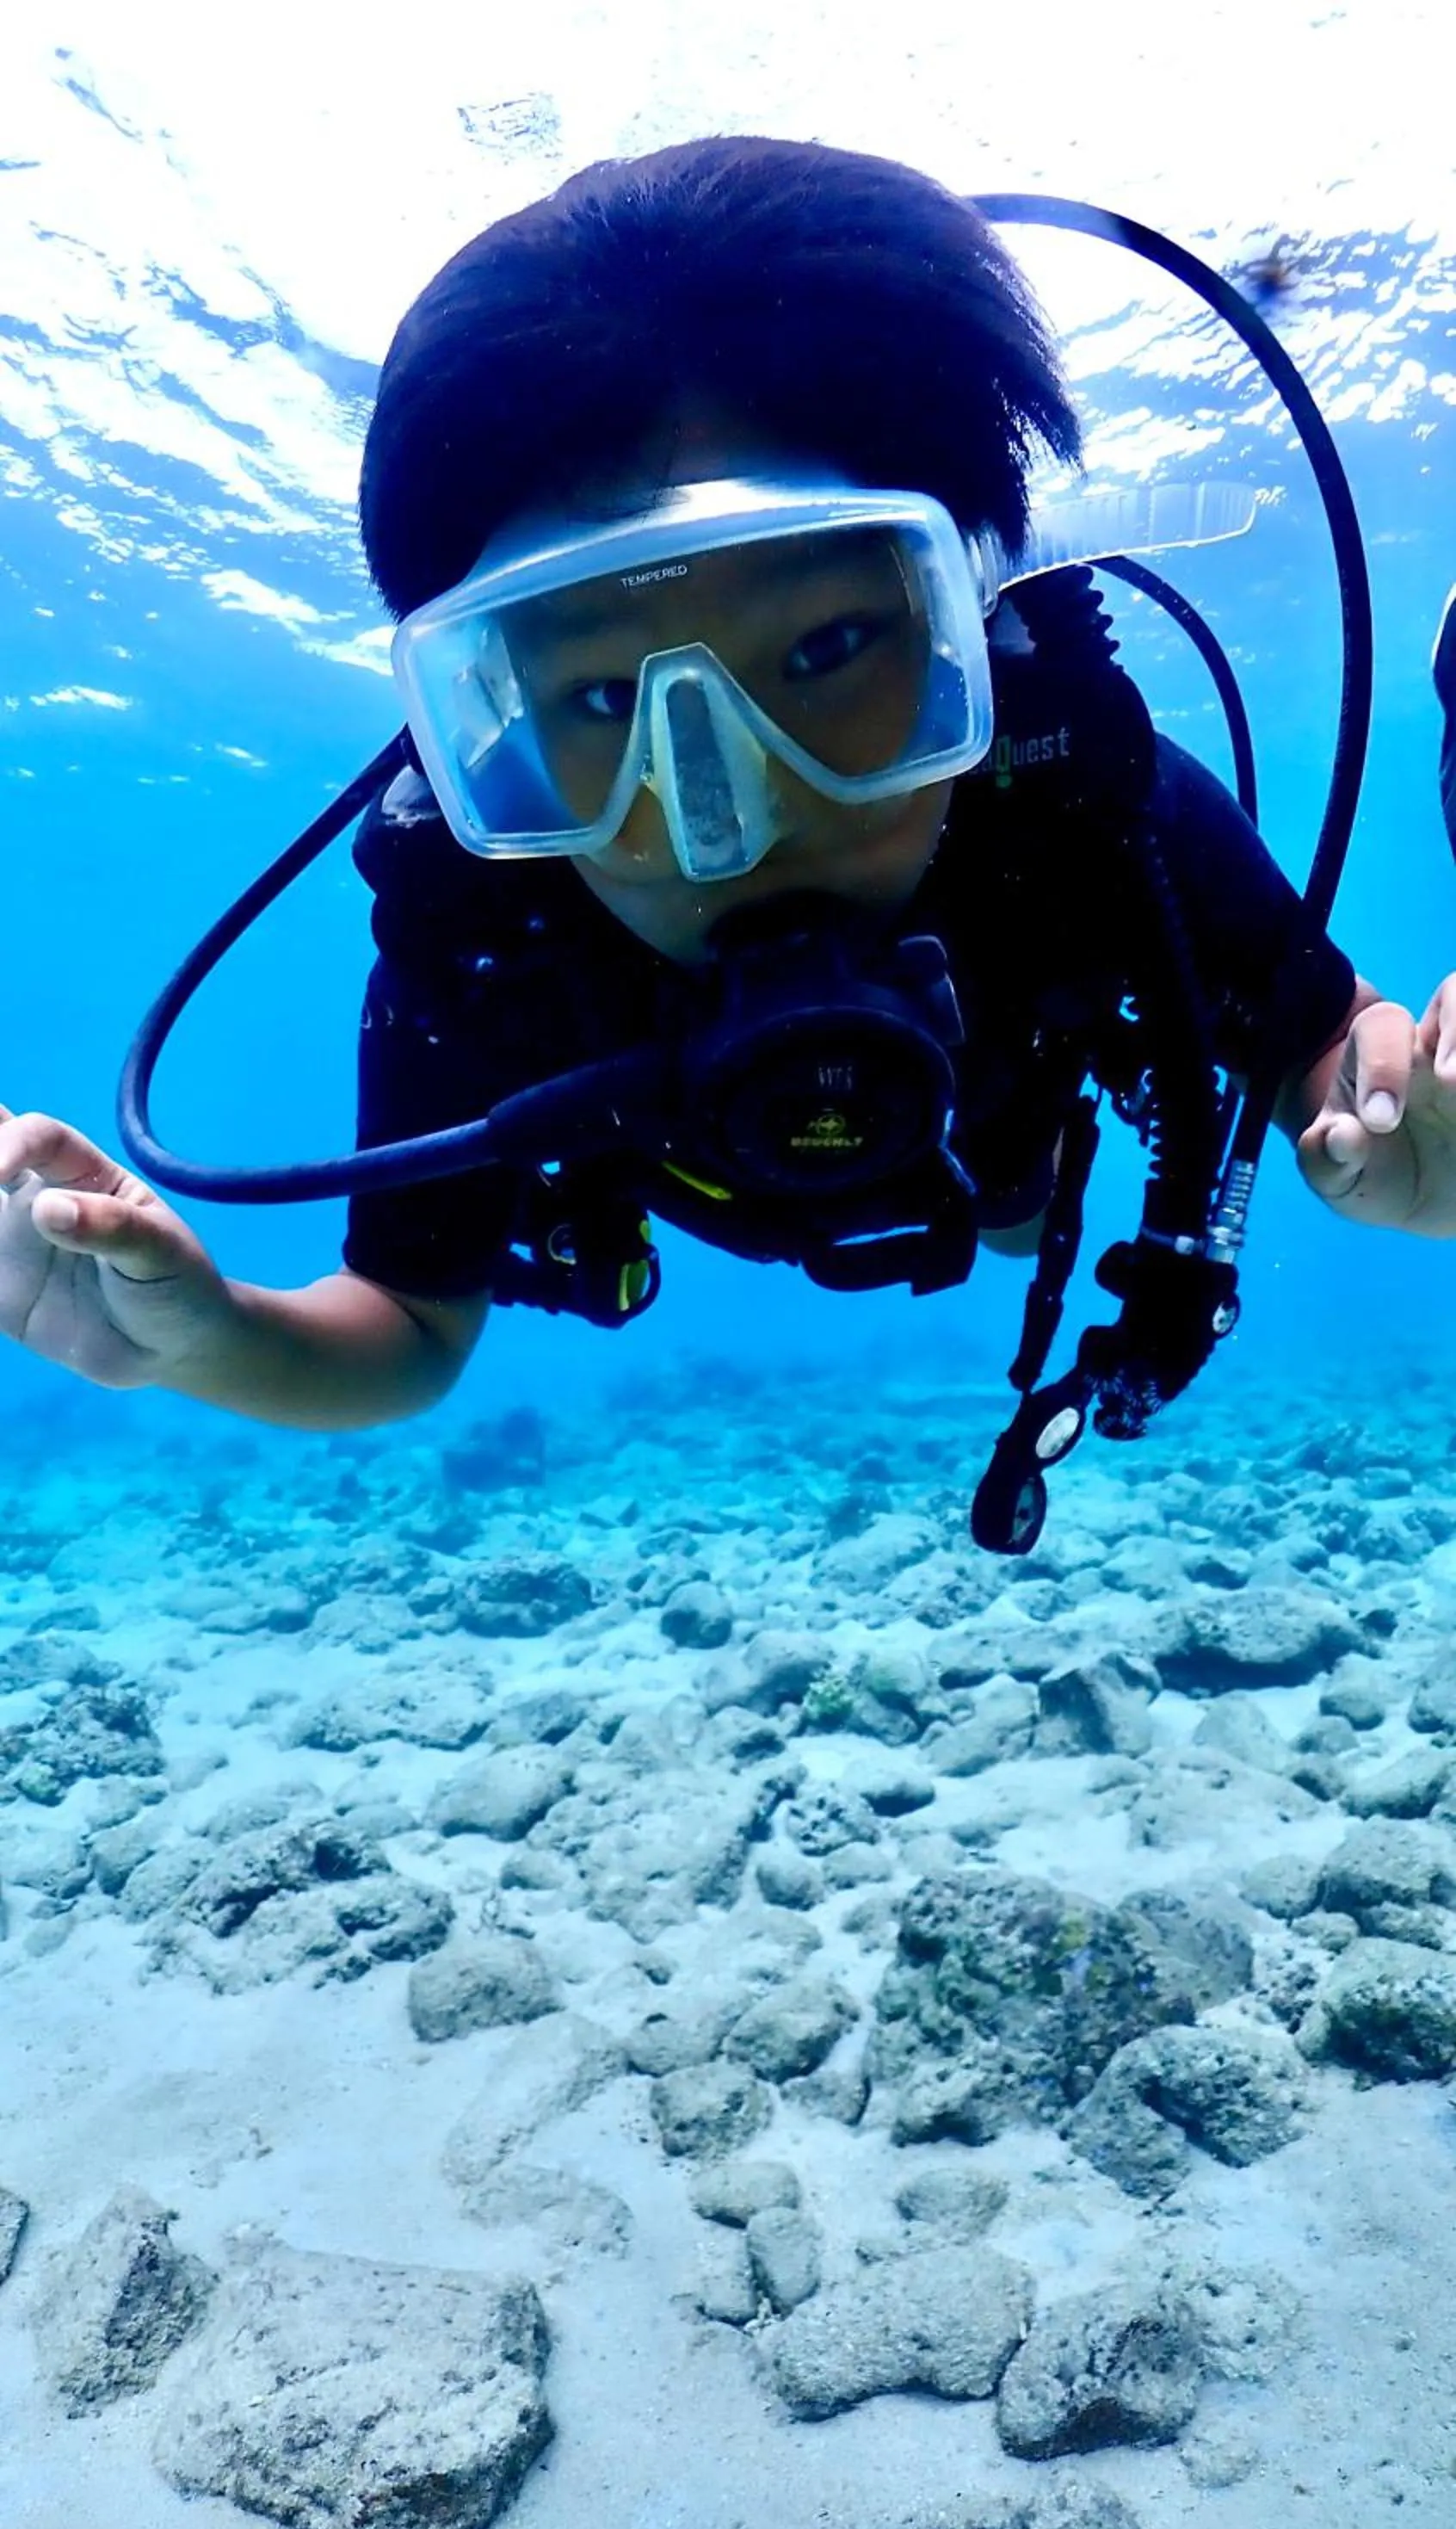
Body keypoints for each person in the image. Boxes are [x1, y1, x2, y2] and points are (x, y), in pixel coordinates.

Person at [2, 136, 1454, 1534]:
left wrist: (1407, 1131)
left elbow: (1337, 1053)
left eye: (826, 645)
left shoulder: (1072, 795)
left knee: (1020, 1200)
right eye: (593, 695)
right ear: (477, 720)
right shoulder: (485, 919)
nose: (723, 820)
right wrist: (195, 1335)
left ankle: (1012, 1193)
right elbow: (404, 1322)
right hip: (718, 1172)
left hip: (1001, 1134)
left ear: (970, 627)